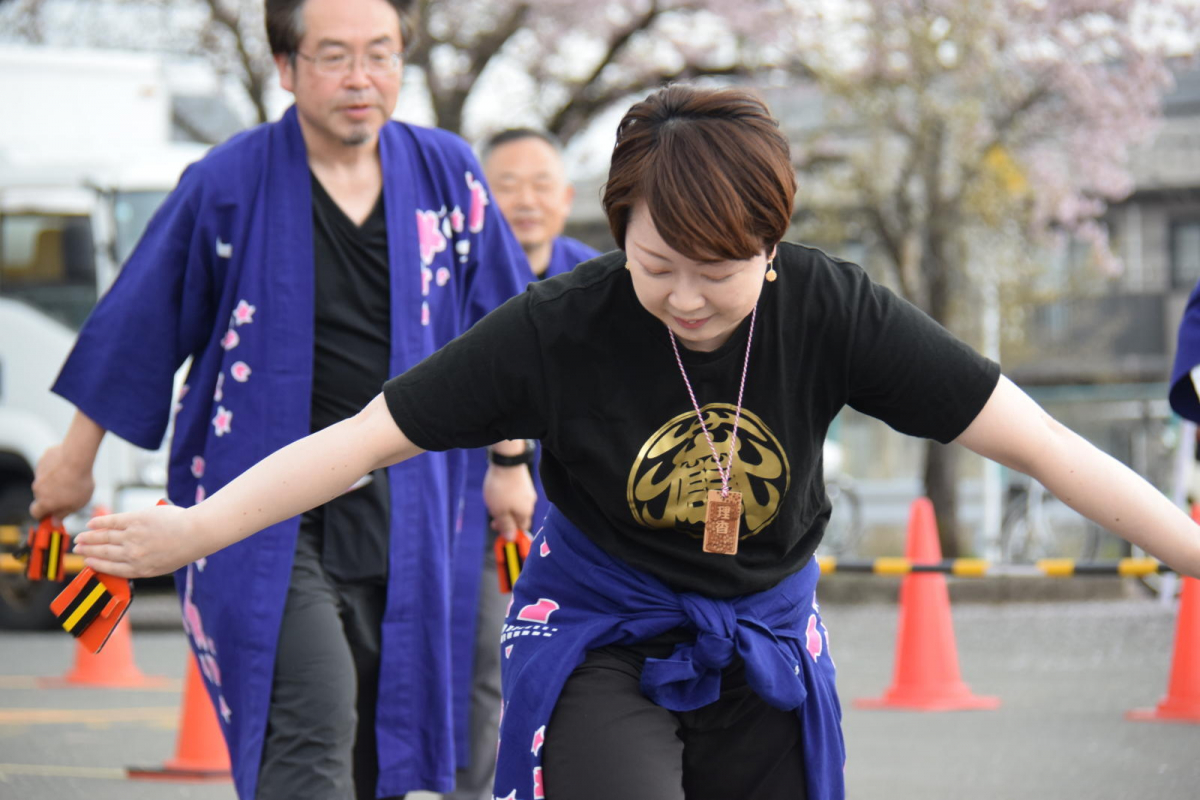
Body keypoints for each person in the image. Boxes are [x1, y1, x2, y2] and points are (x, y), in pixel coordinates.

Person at [72, 85, 1200, 800]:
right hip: (601, 628)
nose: (688, 299)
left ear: (774, 247)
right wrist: (197, 529)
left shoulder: (832, 310)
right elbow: (364, 438)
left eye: (721, 273)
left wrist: (1193, 552)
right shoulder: (562, 326)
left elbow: (1042, 445)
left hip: (763, 628)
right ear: (619, 234)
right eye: (658, 267)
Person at [27, 0, 535, 798]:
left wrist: (509, 463)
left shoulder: (447, 173)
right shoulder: (228, 182)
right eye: (335, 56)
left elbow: (504, 326)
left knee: (377, 747)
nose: (362, 79)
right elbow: (139, 322)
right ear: (286, 67)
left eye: (381, 54)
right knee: (312, 715)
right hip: (259, 508)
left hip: (411, 503)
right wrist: (74, 458)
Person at [445, 129, 602, 800]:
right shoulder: (451, 284)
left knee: (583, 671)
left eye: (541, 185)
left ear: (566, 199)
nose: (526, 201)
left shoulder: (599, 281)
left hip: (580, 521)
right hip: (474, 513)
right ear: (479, 199)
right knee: (485, 665)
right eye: (506, 185)